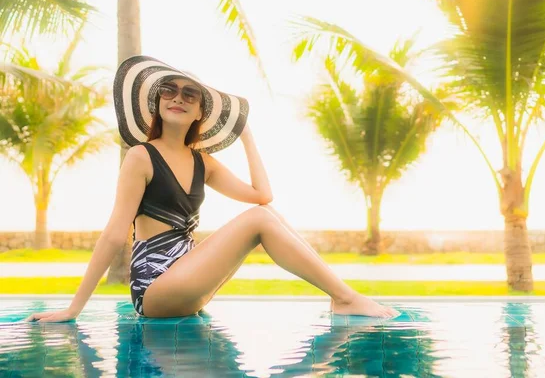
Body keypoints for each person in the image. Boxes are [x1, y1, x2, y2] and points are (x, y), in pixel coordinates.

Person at [25, 55, 399, 323]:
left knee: (265, 215)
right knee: (258, 220)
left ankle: (343, 297)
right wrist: (74, 308)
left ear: (200, 111)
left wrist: (246, 134)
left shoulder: (203, 162)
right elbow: (112, 235)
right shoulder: (140, 157)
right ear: (157, 103)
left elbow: (262, 195)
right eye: (169, 91)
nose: (178, 97)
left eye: (190, 95)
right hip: (156, 289)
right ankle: (345, 297)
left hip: (191, 284)